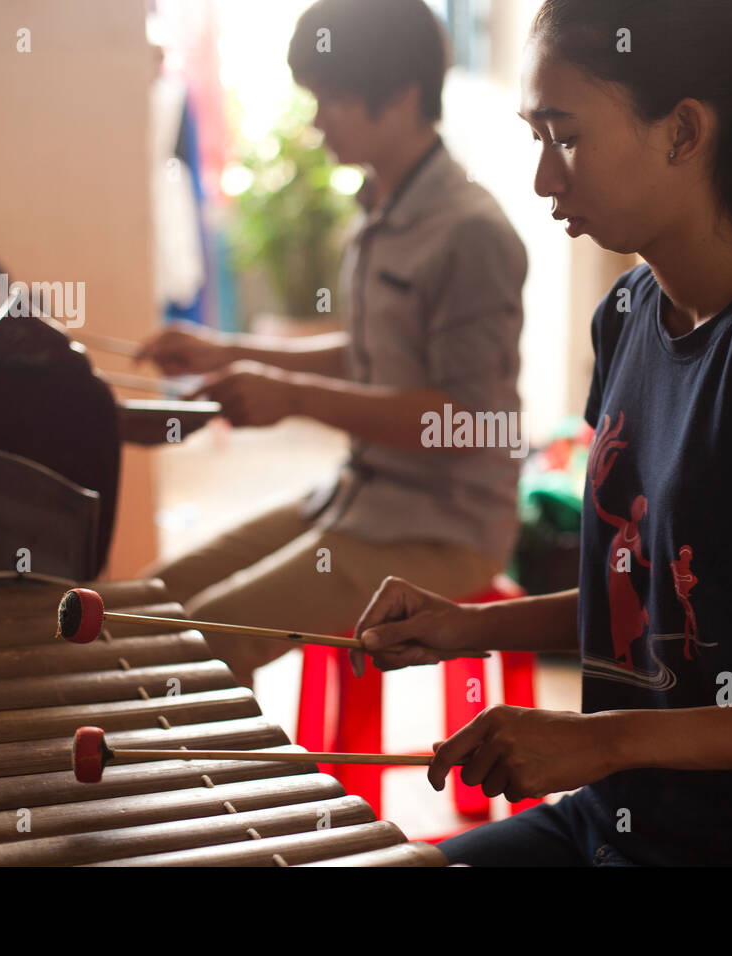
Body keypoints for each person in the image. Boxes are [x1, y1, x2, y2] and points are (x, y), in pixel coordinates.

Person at [351, 0, 732, 866]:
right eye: (535, 137)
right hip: (608, 822)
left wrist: (611, 740)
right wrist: (469, 630)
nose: (545, 179)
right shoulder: (624, 317)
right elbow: (654, 605)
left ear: (683, 132)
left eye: (566, 136)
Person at [139, 0, 527, 687]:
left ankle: (227, 794)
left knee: (200, 639)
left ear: (403, 96)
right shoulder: (380, 206)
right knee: (146, 602)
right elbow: (374, 353)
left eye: (333, 100)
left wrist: (293, 397)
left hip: (444, 524)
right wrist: (225, 352)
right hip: (361, 493)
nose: (317, 123)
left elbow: (462, 419)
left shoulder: (470, 233)